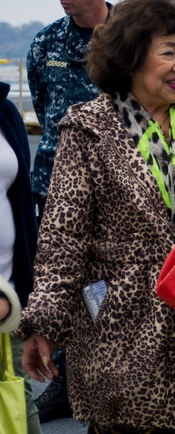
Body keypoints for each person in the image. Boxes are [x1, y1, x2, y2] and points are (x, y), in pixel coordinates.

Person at [17, 0, 175, 433]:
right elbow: (62, 239)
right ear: (129, 58)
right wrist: (44, 324)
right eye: (168, 52)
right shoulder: (90, 128)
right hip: (126, 335)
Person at [25, 0, 110, 422]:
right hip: (54, 185)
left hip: (115, 185)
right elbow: (42, 105)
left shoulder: (132, 38)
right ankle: (60, 381)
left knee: (110, 284)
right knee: (59, 282)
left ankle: (104, 372)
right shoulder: (46, 43)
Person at [0, 82, 41, 433]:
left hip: (9, 302)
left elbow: (23, 208)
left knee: (16, 399)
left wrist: (26, 295)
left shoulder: (5, 110)